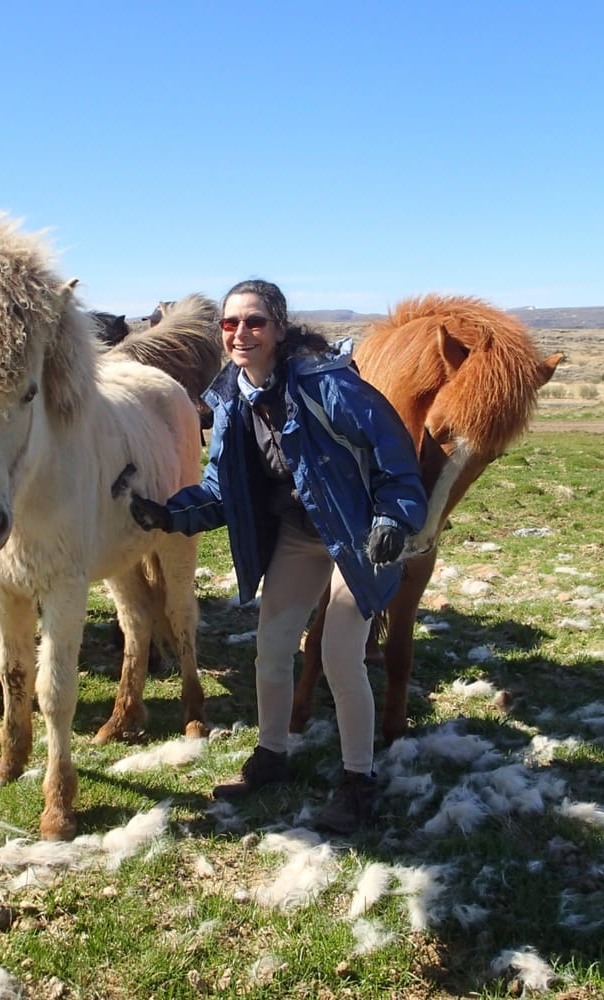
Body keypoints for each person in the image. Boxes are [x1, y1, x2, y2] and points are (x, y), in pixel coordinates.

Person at [128, 279, 428, 835]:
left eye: (254, 322)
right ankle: (271, 755)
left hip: (358, 536)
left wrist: (393, 519)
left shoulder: (327, 384)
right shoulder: (232, 398)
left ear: (279, 329)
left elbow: (395, 455)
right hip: (298, 537)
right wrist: (169, 514)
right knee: (270, 648)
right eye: (230, 323)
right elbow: (221, 487)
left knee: (340, 653)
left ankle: (358, 781)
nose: (240, 333)